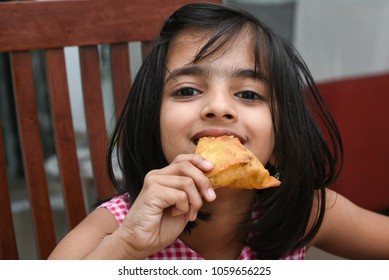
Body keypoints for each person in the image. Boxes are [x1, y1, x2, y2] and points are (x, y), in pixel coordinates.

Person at [48, 2, 389, 260]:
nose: (218, 107)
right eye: (187, 90)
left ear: (283, 139)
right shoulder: (118, 226)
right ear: (151, 125)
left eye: (248, 94)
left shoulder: (305, 211)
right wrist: (126, 247)